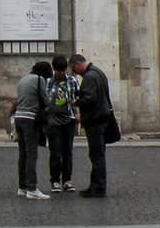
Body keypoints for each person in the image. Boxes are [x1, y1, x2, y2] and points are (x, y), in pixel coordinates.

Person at [72, 52, 112, 198]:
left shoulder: (89, 76)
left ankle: (98, 187)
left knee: (96, 155)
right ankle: (96, 185)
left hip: (95, 119)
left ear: (77, 64)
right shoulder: (99, 72)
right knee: (98, 154)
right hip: (102, 118)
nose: (75, 73)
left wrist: (77, 101)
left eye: (74, 69)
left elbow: (89, 98)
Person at [12, 61, 52, 200]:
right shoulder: (40, 80)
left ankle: (22, 187)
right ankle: (32, 188)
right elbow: (46, 100)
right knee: (31, 154)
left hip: (19, 118)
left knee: (22, 154)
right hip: (30, 119)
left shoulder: (23, 79)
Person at [45, 54, 80, 190]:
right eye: (58, 70)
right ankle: (54, 180)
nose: (60, 73)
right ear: (54, 69)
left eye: (62, 70)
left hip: (69, 119)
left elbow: (79, 96)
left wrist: (77, 109)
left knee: (67, 151)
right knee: (55, 151)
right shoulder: (48, 82)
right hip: (53, 121)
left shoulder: (72, 81)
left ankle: (67, 180)